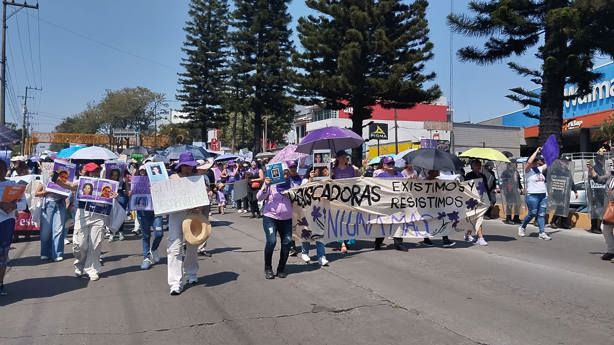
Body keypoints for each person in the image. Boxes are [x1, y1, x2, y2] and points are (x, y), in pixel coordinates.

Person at [56, 162, 117, 281]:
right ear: (88, 172)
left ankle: (92, 269)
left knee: (96, 243)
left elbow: (111, 197)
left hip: (99, 215)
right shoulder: (81, 182)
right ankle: (80, 264)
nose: (95, 173)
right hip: (83, 214)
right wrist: (55, 178)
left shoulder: (105, 184)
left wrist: (114, 196)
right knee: (80, 244)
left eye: (97, 171)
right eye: (92, 171)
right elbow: (69, 185)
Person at [167, 152, 203, 295]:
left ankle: (192, 273)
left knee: (192, 244)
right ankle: (175, 283)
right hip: (176, 215)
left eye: (190, 165)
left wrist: (204, 199)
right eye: (185, 166)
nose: (188, 168)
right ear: (180, 166)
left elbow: (203, 199)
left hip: (193, 214)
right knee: (174, 247)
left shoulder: (197, 178)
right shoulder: (173, 178)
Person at [257, 170, 293, 279]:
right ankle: (268, 268)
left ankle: (281, 269)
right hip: (270, 217)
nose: (285, 176)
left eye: (287, 174)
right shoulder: (271, 184)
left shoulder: (292, 185)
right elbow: (259, 197)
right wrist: (266, 185)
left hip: (287, 219)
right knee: (272, 241)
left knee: (287, 242)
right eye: (283, 173)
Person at [0, 160, 27, 295]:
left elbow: (24, 204)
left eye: (1, 169)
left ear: (5, 171)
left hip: (6, 223)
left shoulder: (12, 186)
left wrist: (14, 206)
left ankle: (0, 283)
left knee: (3, 255)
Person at [132, 165, 163, 270]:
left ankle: (154, 249)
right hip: (143, 212)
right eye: (141, 171)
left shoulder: (157, 181)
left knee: (159, 234)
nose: (143, 172)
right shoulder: (136, 181)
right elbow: (131, 195)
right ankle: (146, 258)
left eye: (145, 171)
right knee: (146, 236)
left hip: (156, 211)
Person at [518, 147, 551, 240]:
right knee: (532, 213)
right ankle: (522, 226)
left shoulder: (539, 169)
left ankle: (542, 232)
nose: (537, 162)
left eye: (537, 161)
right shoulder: (528, 171)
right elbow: (528, 163)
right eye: (535, 161)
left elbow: (548, 162)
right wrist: (536, 151)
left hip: (543, 195)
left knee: (541, 214)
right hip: (532, 195)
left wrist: (546, 152)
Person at [373, 156, 406, 251]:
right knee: (384, 223)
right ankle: (378, 242)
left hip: (397, 203)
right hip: (385, 203)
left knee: (398, 223)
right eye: (389, 163)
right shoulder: (381, 176)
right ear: (384, 165)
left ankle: (398, 243)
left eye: (392, 163)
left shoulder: (399, 175)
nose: (391, 165)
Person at [331, 150, 361, 253]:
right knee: (339, 220)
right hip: (338, 198)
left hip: (350, 197)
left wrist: (358, 171)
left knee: (349, 220)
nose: (345, 159)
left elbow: (360, 180)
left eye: (346, 157)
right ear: (338, 158)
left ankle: (348, 239)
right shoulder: (333, 170)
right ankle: (342, 243)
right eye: (343, 157)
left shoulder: (352, 169)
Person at [36, 170, 69, 262]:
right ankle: (45, 253)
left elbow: (68, 193)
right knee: (46, 231)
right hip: (48, 204)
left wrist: (67, 198)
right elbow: (36, 193)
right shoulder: (45, 179)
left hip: (60, 204)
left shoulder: (64, 180)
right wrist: (46, 192)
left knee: (58, 229)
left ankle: (57, 253)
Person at [419, 169, 457, 247]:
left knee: (442, 221)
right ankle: (426, 239)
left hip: (437, 205)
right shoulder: (422, 181)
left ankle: (445, 239)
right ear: (431, 172)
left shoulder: (439, 181)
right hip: (426, 206)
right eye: (437, 171)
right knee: (427, 222)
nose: (439, 173)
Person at [587, 158, 614, 260]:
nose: (612, 165)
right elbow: (598, 179)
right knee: (605, 229)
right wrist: (591, 169)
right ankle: (611, 251)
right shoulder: (610, 176)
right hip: (609, 210)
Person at [464, 160, 489, 246]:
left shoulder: (483, 176)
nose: (479, 166)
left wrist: (488, 200)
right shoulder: (469, 175)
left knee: (479, 218)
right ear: (473, 166)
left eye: (480, 165)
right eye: (477, 165)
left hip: (481, 201)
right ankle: (474, 236)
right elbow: (466, 188)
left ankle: (479, 237)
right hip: (471, 201)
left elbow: (486, 189)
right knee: (472, 219)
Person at [500, 160, 523, 225]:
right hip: (509, 190)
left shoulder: (516, 172)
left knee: (518, 204)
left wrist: (521, 188)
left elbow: (518, 181)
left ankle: (516, 217)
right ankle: (508, 218)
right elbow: (504, 181)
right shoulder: (506, 172)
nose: (516, 165)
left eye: (516, 164)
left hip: (516, 190)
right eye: (514, 164)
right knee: (510, 204)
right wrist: (506, 189)